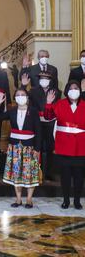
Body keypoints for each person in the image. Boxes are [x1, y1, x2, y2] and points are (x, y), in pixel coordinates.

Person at [0, 88, 41, 208]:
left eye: (23, 95)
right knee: (16, 173)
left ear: (27, 97)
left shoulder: (33, 111)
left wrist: (37, 148)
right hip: (15, 147)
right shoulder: (12, 111)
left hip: (29, 147)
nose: (20, 97)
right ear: (15, 98)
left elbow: (39, 131)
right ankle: (18, 199)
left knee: (30, 173)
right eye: (18, 95)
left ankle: (29, 199)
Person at [45, 80, 85, 210]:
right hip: (64, 146)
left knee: (79, 176)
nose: (74, 90)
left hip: (81, 146)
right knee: (65, 175)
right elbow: (48, 117)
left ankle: (77, 200)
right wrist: (49, 103)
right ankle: (66, 200)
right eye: (71, 88)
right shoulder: (60, 104)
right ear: (67, 91)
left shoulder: (84, 105)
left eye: (76, 88)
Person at [22, 72, 61, 180]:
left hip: (50, 123)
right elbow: (22, 96)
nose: (44, 80)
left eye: (46, 78)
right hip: (37, 123)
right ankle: (35, 170)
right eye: (42, 78)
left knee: (49, 149)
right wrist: (23, 86)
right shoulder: (33, 91)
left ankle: (48, 173)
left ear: (50, 80)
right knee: (37, 147)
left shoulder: (56, 92)